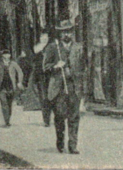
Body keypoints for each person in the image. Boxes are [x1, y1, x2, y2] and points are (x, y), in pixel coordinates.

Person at [42, 19, 84, 154]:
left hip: (74, 88)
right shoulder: (52, 47)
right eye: (64, 32)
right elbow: (45, 67)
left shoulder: (78, 48)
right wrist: (55, 66)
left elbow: (83, 69)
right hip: (59, 89)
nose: (67, 34)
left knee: (74, 117)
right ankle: (60, 141)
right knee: (60, 117)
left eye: (69, 31)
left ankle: (73, 145)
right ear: (60, 34)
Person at [0, 49, 24, 127]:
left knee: (9, 104)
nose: (7, 56)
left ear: (10, 55)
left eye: (8, 54)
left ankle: (8, 119)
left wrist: (19, 81)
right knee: (4, 104)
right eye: (5, 54)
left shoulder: (13, 64)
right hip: (1, 87)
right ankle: (6, 121)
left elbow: (20, 72)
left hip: (11, 87)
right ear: (2, 56)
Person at [33, 32, 52, 127]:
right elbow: (34, 65)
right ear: (40, 38)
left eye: (46, 37)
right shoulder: (36, 49)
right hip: (41, 77)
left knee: (52, 97)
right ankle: (46, 119)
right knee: (44, 98)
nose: (44, 39)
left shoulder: (52, 48)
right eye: (42, 37)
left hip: (51, 76)